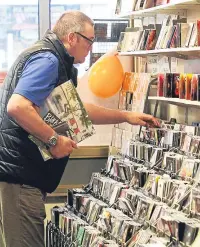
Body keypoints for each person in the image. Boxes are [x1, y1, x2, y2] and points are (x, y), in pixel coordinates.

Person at [0, 11, 159, 247]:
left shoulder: (53, 59)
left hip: (23, 174)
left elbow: (77, 110)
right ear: (72, 38)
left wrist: (126, 115)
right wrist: (54, 140)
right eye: (89, 40)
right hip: (22, 177)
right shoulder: (49, 60)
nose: (91, 46)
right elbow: (18, 106)